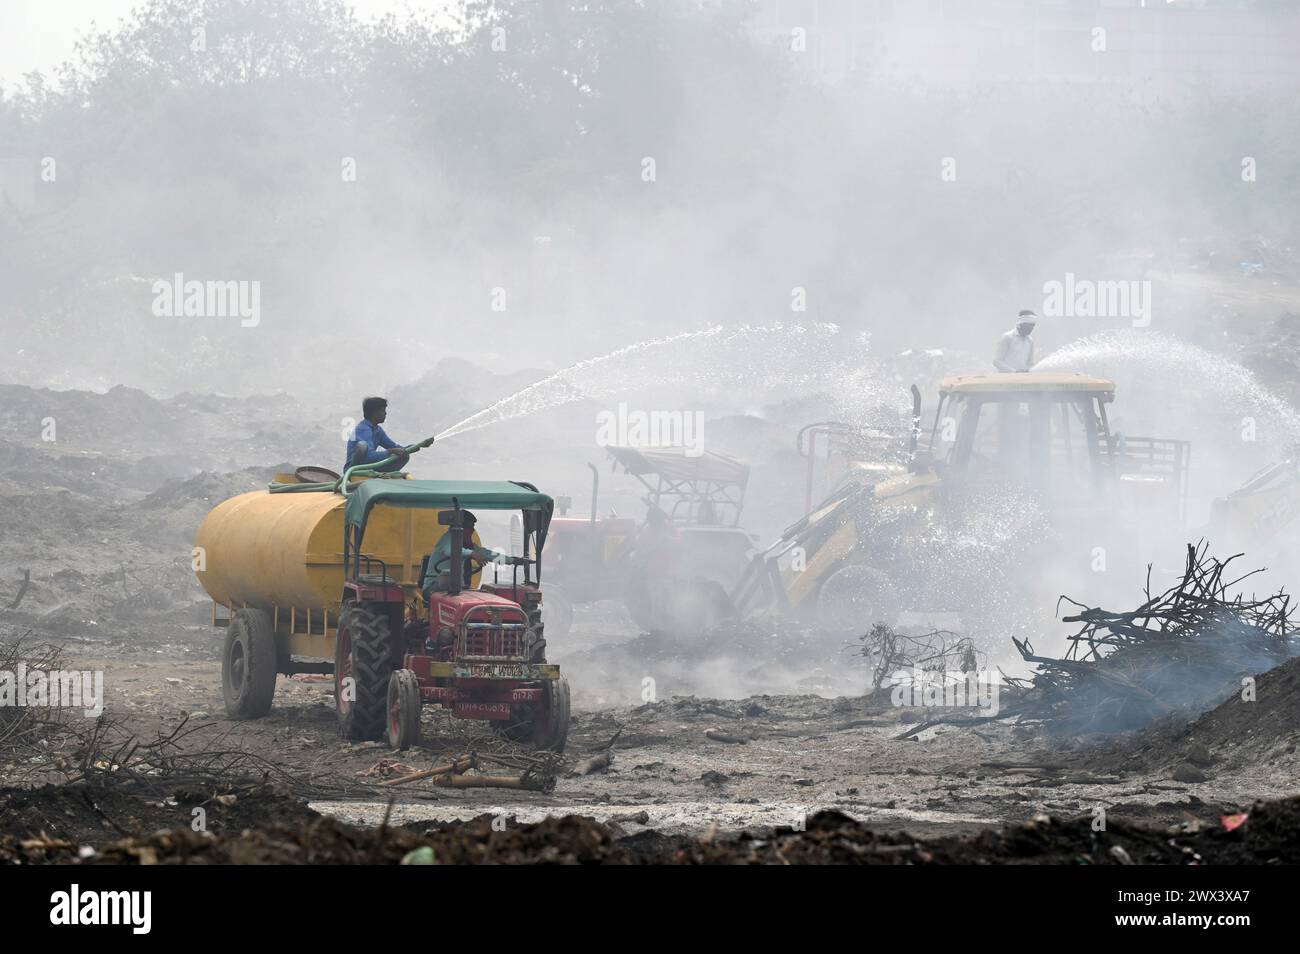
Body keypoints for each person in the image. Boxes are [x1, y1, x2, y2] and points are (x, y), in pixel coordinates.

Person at [420, 511, 527, 599]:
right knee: (453, 597)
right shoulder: (448, 538)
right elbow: (450, 551)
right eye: (469, 527)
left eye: (472, 528)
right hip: (434, 585)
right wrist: (472, 554)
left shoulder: (467, 545)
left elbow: (487, 554)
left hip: (456, 586)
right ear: (459, 529)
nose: (472, 531)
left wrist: (512, 560)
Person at [345, 397, 431, 474]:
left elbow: (395, 446)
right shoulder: (363, 429)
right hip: (354, 468)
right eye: (383, 410)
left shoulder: (377, 430)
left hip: (368, 465)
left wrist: (419, 445)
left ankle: (382, 476)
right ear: (374, 413)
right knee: (362, 446)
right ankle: (357, 475)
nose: (385, 413)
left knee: (404, 456)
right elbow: (369, 456)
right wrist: (390, 451)